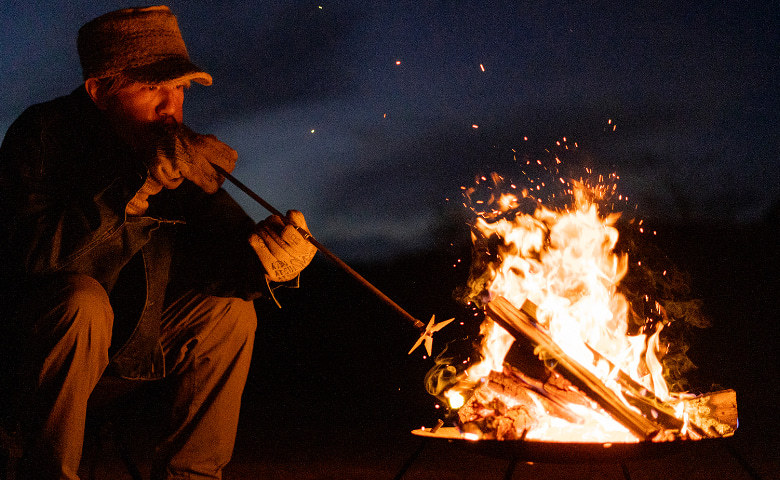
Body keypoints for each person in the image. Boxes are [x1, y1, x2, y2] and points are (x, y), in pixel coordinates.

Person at [0, 6, 317, 479]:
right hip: (34, 354)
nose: (172, 106)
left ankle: (191, 476)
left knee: (230, 313)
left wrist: (273, 259)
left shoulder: (172, 147)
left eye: (180, 88)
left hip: (129, 347)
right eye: (153, 88)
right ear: (99, 91)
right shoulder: (42, 134)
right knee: (83, 302)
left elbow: (227, 251)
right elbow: (31, 257)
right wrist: (135, 188)